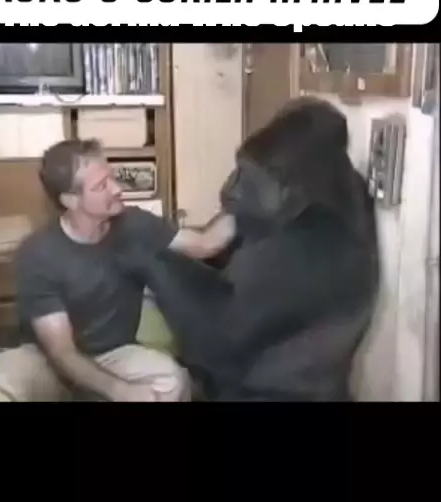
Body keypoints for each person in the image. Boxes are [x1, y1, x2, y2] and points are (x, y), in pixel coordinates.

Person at [133, 97, 380, 401]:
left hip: (275, 393)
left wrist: (153, 259)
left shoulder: (311, 244)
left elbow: (217, 340)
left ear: (289, 184)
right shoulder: (332, 195)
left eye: (246, 177)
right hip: (296, 379)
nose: (229, 190)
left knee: (155, 261)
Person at [0, 138, 235, 403]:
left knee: (173, 381)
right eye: (101, 186)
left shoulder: (135, 224)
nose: (117, 189)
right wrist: (122, 391)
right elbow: (62, 352)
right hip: (46, 359)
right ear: (71, 200)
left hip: (112, 355)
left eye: (112, 178)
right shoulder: (38, 253)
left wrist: (244, 196)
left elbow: (205, 243)